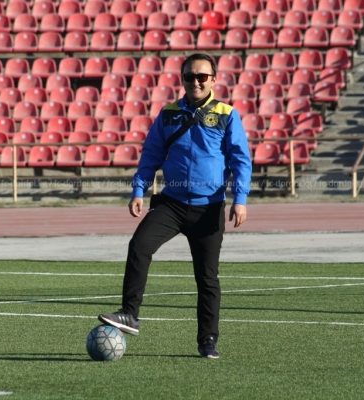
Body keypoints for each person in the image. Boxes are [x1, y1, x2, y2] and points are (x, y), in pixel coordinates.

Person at [98, 53, 252, 359]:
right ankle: (129, 314)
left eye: (202, 77)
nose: (196, 82)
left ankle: (207, 340)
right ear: (182, 80)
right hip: (172, 203)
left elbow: (240, 160)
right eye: (189, 77)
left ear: (213, 79)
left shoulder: (227, 113)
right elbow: (151, 154)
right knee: (139, 246)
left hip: (209, 207)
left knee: (206, 278)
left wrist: (240, 200)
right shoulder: (168, 113)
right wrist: (138, 190)